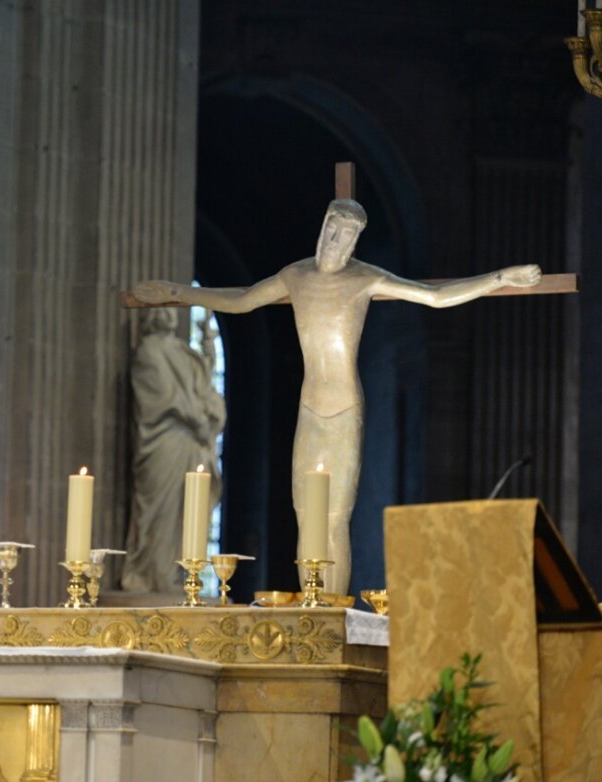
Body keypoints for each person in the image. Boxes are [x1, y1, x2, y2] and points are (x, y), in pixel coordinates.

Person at [132, 197, 542, 595]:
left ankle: (331, 612)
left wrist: (500, 278)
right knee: (305, 516)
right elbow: (241, 301)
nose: (337, 242)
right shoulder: (296, 275)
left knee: (333, 520)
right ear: (322, 228)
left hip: (345, 409)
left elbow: (433, 297)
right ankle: (310, 604)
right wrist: (178, 292)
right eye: (333, 230)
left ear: (356, 243)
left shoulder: (365, 278)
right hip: (309, 409)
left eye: (348, 236)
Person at [121, 307, 225, 593]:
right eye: (161, 309)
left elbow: (202, 385)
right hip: (164, 442)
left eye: (170, 309)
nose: (168, 314)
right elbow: (163, 397)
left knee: (185, 511)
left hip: (189, 443)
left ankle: (180, 576)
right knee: (157, 511)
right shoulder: (149, 351)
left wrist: (208, 352)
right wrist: (197, 419)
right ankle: (153, 575)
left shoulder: (181, 350)